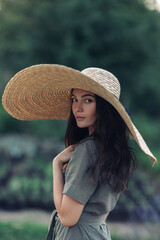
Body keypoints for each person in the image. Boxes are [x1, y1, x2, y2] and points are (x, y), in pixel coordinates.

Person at [2, 64, 157, 240]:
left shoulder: (87, 149)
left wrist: (56, 164)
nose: (78, 107)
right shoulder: (114, 151)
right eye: (75, 99)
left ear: (104, 108)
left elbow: (67, 217)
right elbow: (102, 213)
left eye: (88, 100)